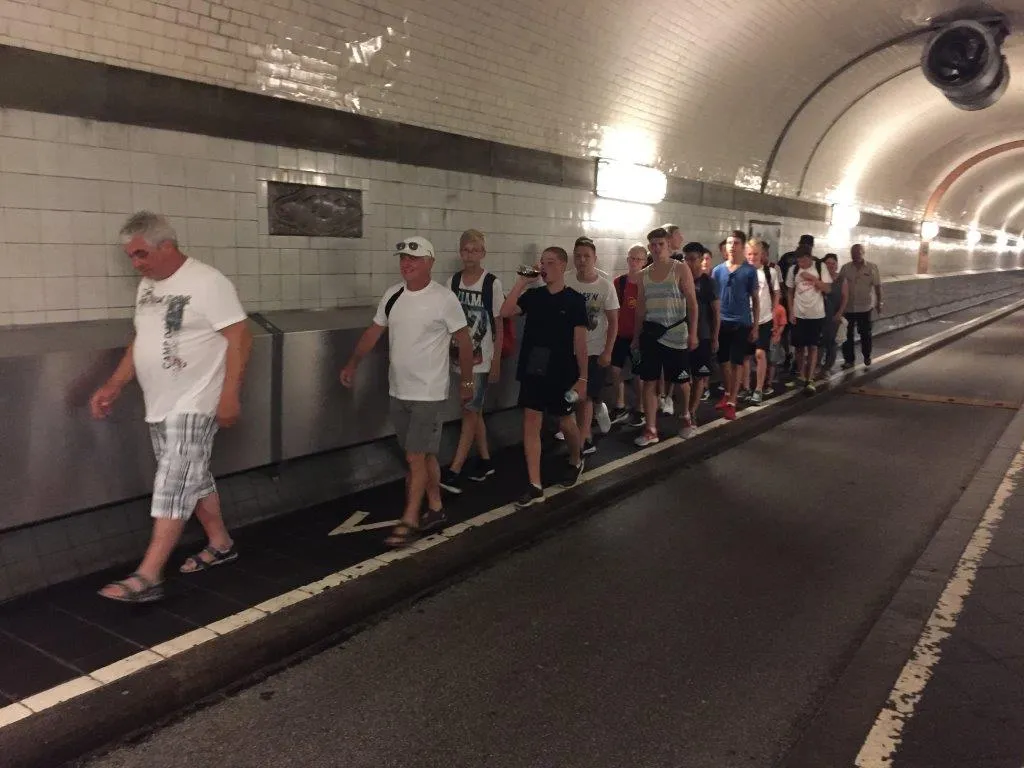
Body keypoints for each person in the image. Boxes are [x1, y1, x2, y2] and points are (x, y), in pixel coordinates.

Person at [90, 211, 252, 603]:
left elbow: (240, 336)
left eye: (141, 254)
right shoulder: (147, 286)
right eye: (131, 256)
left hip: (196, 400)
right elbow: (141, 339)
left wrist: (229, 394)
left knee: (173, 481)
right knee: (192, 476)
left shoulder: (207, 281)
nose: (136, 263)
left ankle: (149, 576)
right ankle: (221, 543)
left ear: (167, 246)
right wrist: (115, 383)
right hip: (159, 403)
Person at [341, 236, 474, 547]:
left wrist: (467, 382)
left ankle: (410, 518)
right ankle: (436, 508)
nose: (406, 264)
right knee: (422, 454)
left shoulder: (443, 299)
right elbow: (374, 332)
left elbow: (465, 341)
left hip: (429, 392)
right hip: (399, 390)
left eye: (413, 259)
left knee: (415, 456)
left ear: (430, 262)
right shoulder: (393, 295)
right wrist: (353, 363)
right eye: (402, 258)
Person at [501, 247, 588, 507]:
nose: (544, 267)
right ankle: (535, 484)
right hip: (534, 367)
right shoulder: (534, 296)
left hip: (561, 368)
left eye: (550, 262)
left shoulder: (574, 300)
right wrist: (522, 281)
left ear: (563, 266)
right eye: (542, 262)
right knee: (531, 421)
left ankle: (576, 459)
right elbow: (505, 311)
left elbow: (580, 343)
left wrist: (583, 377)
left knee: (566, 422)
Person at [439, 230, 504, 494]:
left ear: (483, 253)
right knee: (473, 410)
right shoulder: (452, 282)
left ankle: (455, 468)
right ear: (460, 252)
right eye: (466, 250)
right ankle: (486, 461)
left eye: (475, 250)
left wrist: (496, 360)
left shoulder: (491, 284)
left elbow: (499, 323)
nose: (470, 255)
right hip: (460, 356)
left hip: (481, 359)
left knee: (469, 410)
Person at [632, 227, 699, 445]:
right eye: (653, 245)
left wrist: (693, 333)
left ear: (668, 245)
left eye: (661, 244)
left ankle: (686, 416)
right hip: (651, 334)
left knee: (681, 381)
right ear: (649, 247)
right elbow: (640, 309)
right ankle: (651, 429)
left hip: (676, 334)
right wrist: (636, 337)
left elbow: (692, 303)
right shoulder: (644, 274)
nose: (657, 248)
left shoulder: (680, 269)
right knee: (649, 381)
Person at [565, 236, 619, 455]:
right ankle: (578, 427)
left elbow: (613, 322)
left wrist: (608, 351)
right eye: (578, 256)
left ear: (595, 258)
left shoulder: (605, 286)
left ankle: (584, 437)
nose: (582, 260)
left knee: (585, 395)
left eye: (586, 256)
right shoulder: (566, 280)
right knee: (572, 394)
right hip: (568, 349)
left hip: (594, 349)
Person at [710, 230, 759, 421]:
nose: (732, 246)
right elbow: (714, 299)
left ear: (742, 246)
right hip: (722, 321)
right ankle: (728, 393)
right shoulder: (717, 270)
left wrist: (755, 326)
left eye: (736, 243)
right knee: (723, 361)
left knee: (736, 362)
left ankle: (732, 401)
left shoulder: (749, 271)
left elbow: (755, 299)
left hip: (741, 322)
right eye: (729, 242)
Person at [682, 242, 719, 425]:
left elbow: (716, 312)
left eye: (693, 259)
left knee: (699, 376)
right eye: (686, 259)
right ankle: (682, 409)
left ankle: (692, 411)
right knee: (682, 376)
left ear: (700, 259)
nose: (689, 263)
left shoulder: (708, 283)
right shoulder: (680, 280)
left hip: (703, 336)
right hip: (681, 335)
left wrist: (715, 337)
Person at [610, 244, 647, 426]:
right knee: (615, 369)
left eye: (638, 259)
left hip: (638, 336)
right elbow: (613, 309)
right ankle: (620, 405)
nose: (634, 262)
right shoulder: (619, 282)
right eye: (632, 258)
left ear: (644, 262)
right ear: (627, 259)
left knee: (639, 374)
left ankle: (641, 408)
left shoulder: (647, 284)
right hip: (620, 334)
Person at [786, 247, 832, 394]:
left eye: (804, 261)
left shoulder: (820, 267)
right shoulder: (793, 270)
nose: (801, 264)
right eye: (799, 261)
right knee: (799, 346)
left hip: (816, 314)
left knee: (813, 346)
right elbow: (790, 292)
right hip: (799, 313)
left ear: (810, 258)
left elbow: (827, 289)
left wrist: (812, 278)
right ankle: (801, 375)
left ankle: (810, 378)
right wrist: (791, 311)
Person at [745, 238, 781, 405]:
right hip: (746, 319)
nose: (752, 257)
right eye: (749, 254)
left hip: (764, 319)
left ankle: (758, 388)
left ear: (762, 255)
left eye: (755, 254)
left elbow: (776, 293)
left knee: (760, 353)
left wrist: (774, 312)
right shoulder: (742, 271)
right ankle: (745, 387)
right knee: (745, 356)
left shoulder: (769, 272)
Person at [839, 243, 883, 368]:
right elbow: (839, 286)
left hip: (865, 307)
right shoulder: (845, 268)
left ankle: (866, 355)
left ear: (863, 253)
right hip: (848, 307)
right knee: (847, 335)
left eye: (858, 253)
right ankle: (849, 360)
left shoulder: (872, 267)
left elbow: (878, 287)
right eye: (853, 253)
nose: (855, 255)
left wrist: (879, 303)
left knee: (865, 333)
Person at [818, 253, 848, 374]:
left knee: (831, 341)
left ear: (836, 265)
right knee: (820, 341)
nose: (830, 266)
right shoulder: (820, 278)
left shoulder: (841, 279)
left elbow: (845, 297)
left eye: (833, 263)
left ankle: (827, 367)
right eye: (827, 263)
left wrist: (839, 313)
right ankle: (817, 365)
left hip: (834, 314)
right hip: (820, 314)